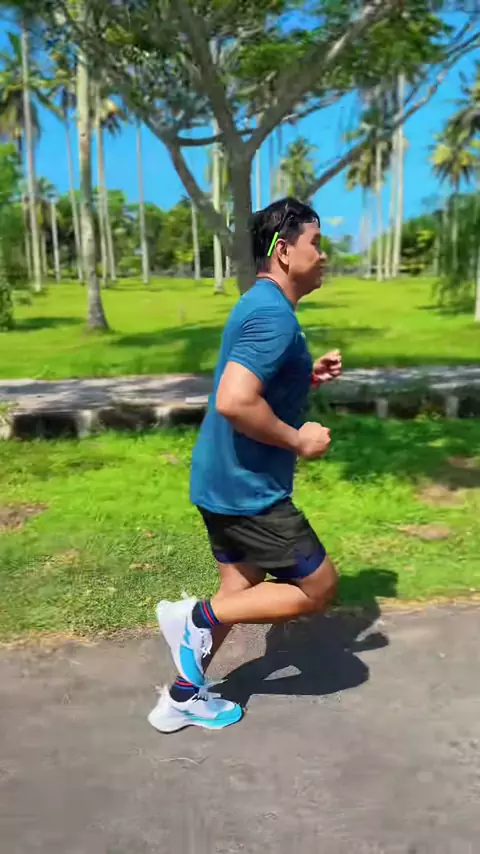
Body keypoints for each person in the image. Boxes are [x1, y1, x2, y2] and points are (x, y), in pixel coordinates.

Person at [148, 197, 342, 734]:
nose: (324, 255)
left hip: (220, 480)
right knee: (318, 588)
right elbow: (235, 400)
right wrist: (299, 440)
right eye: (315, 243)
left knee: (239, 592)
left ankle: (181, 699)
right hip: (248, 490)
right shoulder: (273, 315)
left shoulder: (261, 303)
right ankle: (192, 616)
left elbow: (254, 381)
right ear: (284, 251)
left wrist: (306, 376)